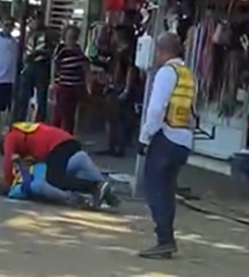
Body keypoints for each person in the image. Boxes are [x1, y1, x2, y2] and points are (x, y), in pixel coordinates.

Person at [137, 32, 194, 259]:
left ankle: (164, 239)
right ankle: (166, 238)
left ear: (161, 51)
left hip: (166, 137)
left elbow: (156, 109)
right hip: (184, 139)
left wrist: (144, 137)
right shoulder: (187, 74)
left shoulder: (166, 73)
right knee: (167, 191)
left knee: (154, 190)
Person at [0, 122, 120, 208]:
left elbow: (7, 161)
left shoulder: (11, 136)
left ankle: (95, 187)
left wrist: (7, 182)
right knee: (76, 162)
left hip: (56, 145)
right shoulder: (24, 132)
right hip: (67, 140)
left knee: (54, 179)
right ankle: (104, 187)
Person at [96, 25, 139, 157]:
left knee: (118, 117)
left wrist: (126, 89)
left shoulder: (127, 52)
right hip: (115, 86)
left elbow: (130, 70)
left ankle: (118, 147)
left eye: (114, 34)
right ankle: (113, 145)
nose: (112, 37)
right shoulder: (118, 52)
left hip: (120, 87)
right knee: (113, 117)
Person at [0, 156, 89, 208]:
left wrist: (28, 162)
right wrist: (22, 166)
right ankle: (71, 198)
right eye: (1, 182)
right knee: (36, 186)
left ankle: (97, 182)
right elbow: (27, 186)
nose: (2, 178)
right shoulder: (14, 191)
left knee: (79, 159)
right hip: (44, 181)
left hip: (48, 168)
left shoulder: (15, 173)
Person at [50, 25, 90, 135]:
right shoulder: (61, 50)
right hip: (64, 85)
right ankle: (55, 136)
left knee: (70, 116)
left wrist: (87, 86)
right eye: (70, 37)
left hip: (76, 86)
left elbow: (86, 67)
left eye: (74, 37)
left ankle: (67, 136)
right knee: (60, 113)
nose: (72, 39)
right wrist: (53, 82)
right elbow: (55, 65)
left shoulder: (79, 51)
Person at [16, 12, 52, 123]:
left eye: (37, 19)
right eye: (33, 20)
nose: (35, 22)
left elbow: (51, 51)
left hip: (41, 67)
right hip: (28, 67)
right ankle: (19, 121)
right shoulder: (28, 33)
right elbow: (23, 49)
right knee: (23, 97)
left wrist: (38, 53)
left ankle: (39, 122)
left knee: (41, 98)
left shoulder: (48, 34)